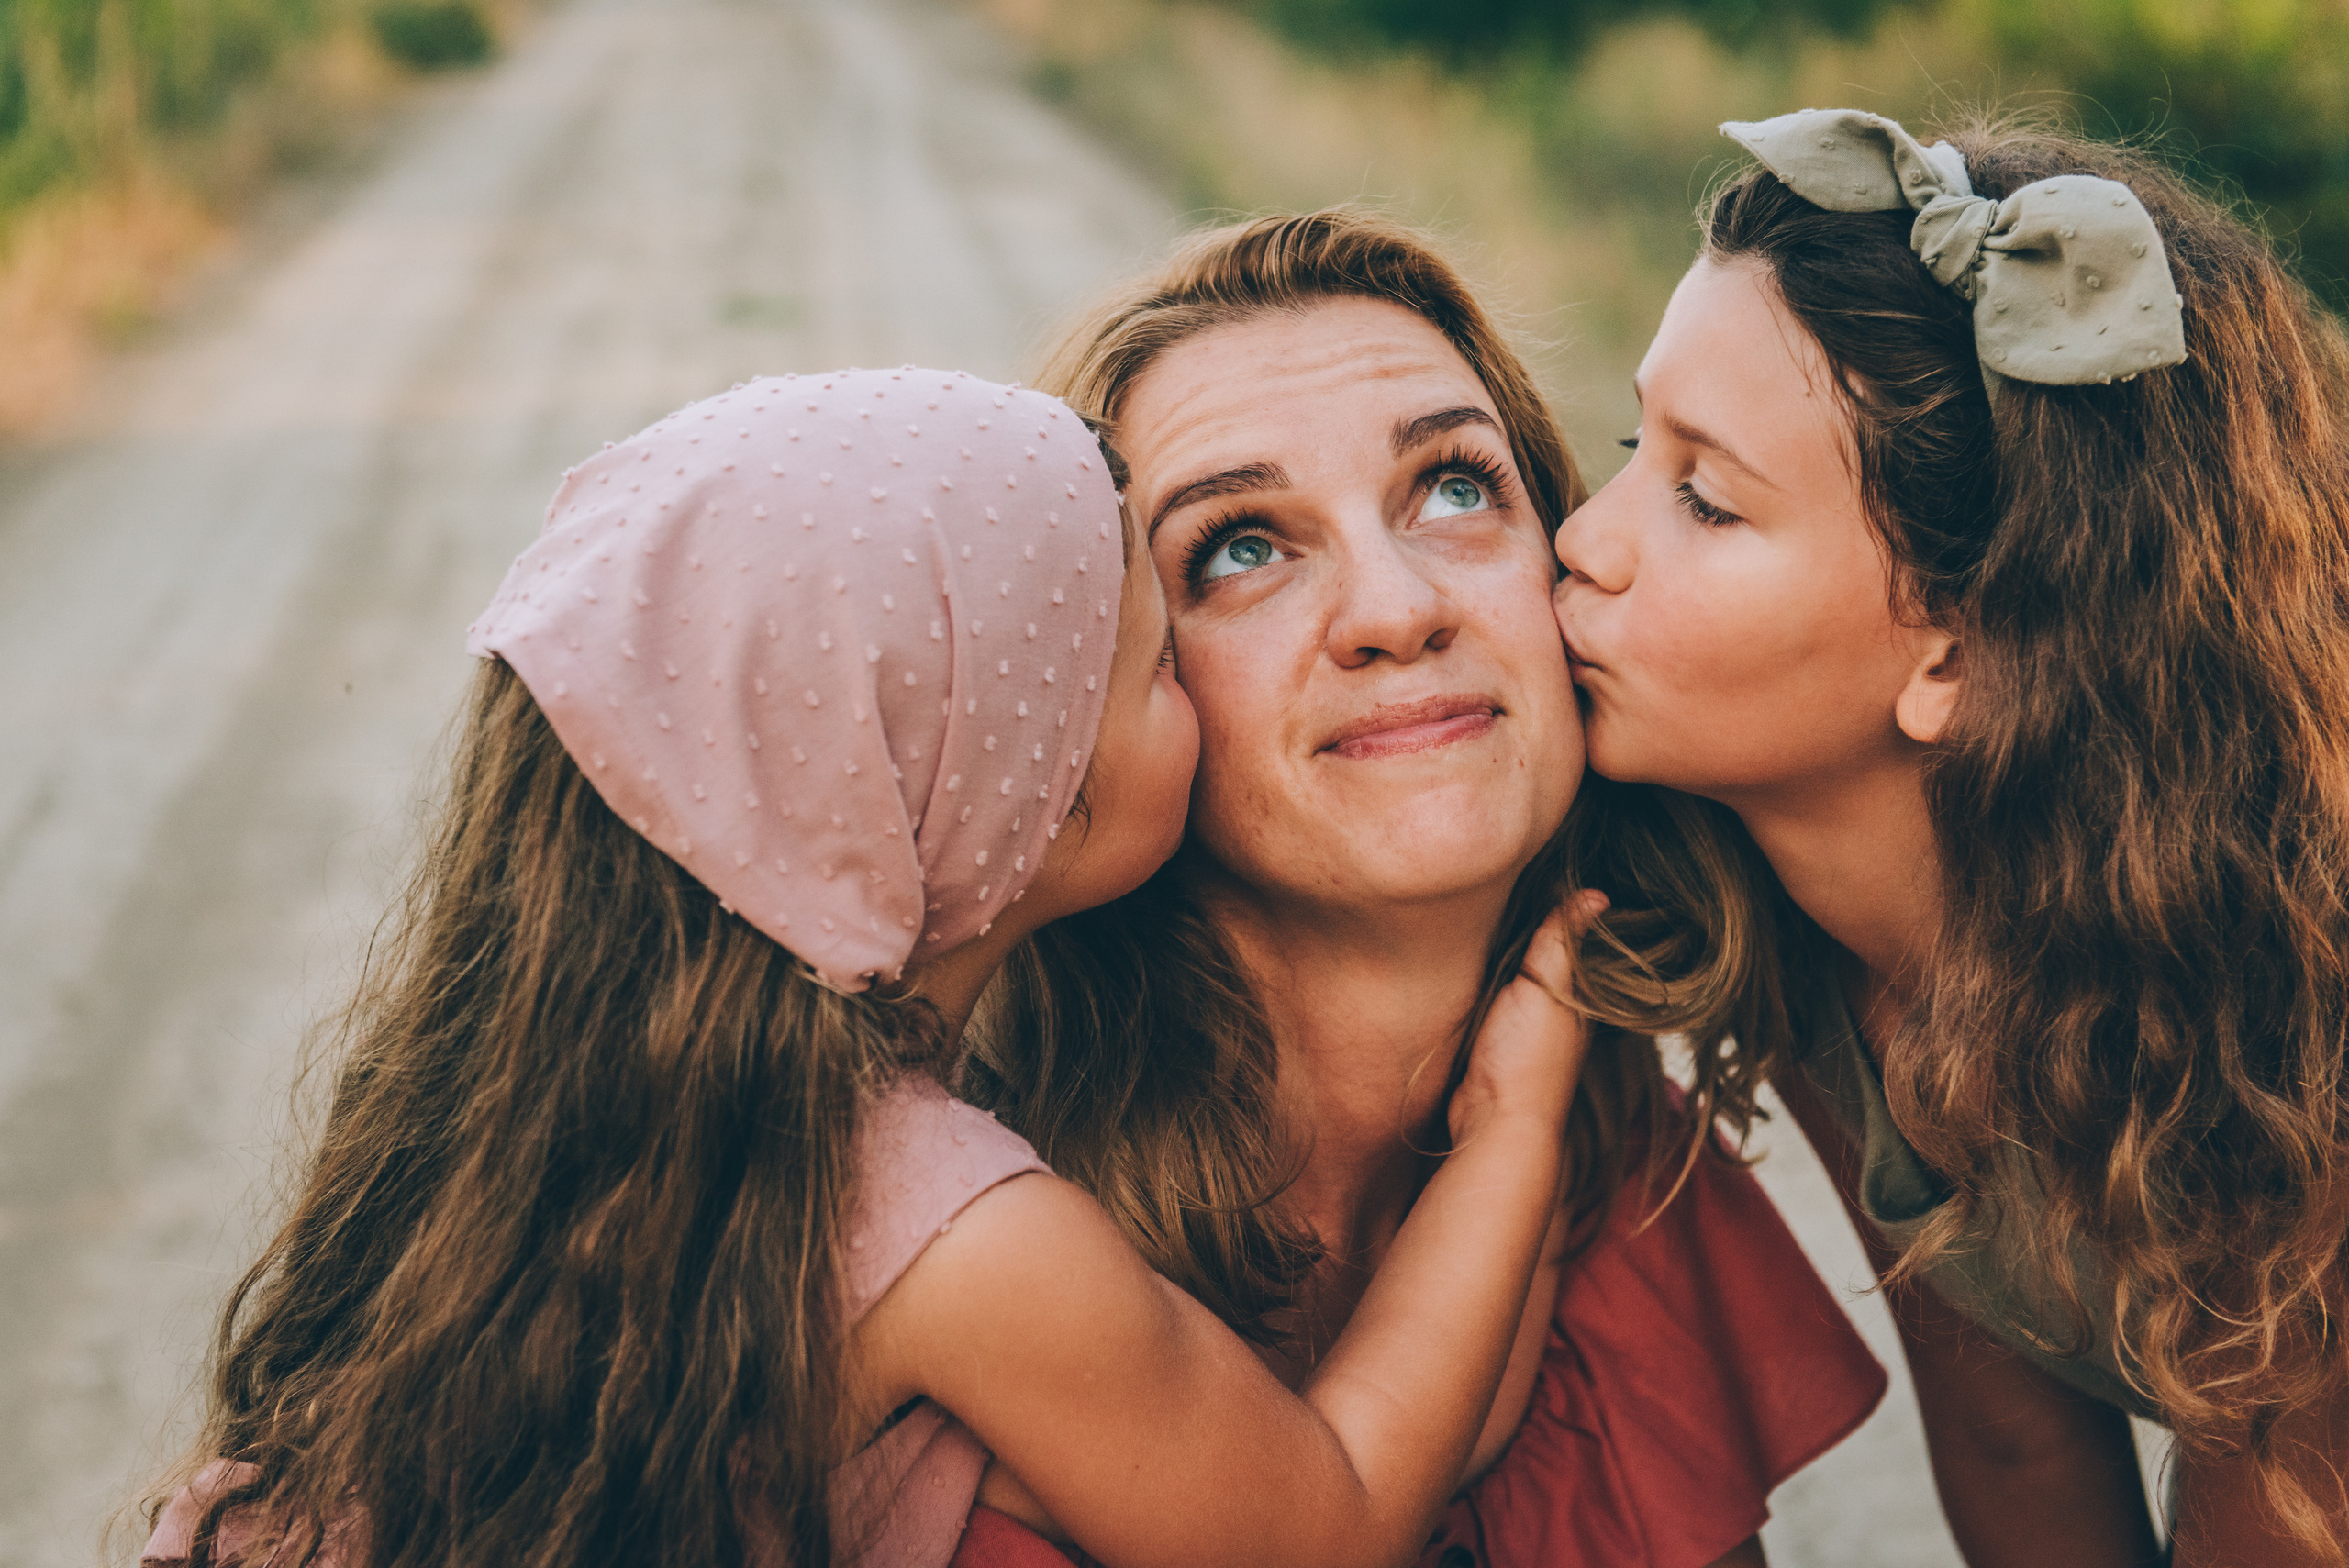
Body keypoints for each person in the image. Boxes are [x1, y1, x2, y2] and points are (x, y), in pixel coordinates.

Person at [139, 366, 1611, 1568]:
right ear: (1011, 788)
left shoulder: (588, 1134)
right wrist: (1518, 1131)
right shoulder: (960, 1234)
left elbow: (1434, 1427)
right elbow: (1339, 1512)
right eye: (1160, 664)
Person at [961, 211, 1890, 1568]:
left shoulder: (1613, 1149)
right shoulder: (956, 1250)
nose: (1397, 608)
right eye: (1240, 547)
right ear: (1114, 695)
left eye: (1455, 490)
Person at [1553, 109, 2349, 1565]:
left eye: (1705, 501)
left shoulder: (2284, 1045)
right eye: (1631, 445)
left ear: (1963, 653)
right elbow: (2010, 1432)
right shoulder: (1810, 938)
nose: (1583, 542)